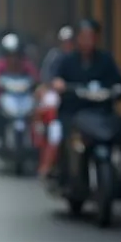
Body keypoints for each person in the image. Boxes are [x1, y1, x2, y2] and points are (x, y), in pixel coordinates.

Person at [51, 18, 121, 179]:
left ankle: (118, 161)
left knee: (120, 125)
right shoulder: (68, 60)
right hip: (73, 111)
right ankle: (64, 171)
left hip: (101, 113)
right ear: (77, 38)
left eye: (91, 37)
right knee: (64, 137)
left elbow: (118, 81)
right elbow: (57, 79)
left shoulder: (105, 60)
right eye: (84, 36)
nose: (87, 41)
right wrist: (60, 85)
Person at [0, 33, 39, 147]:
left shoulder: (26, 64)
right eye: (10, 54)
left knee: (37, 111)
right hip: (5, 96)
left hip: (23, 97)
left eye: (16, 54)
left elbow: (36, 78)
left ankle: (36, 141)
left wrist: (33, 83)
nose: (13, 58)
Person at [35, 26, 74, 178]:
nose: (68, 44)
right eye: (65, 41)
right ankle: (47, 163)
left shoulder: (78, 58)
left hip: (75, 99)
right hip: (56, 96)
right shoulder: (55, 57)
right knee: (54, 131)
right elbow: (47, 79)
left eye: (70, 41)